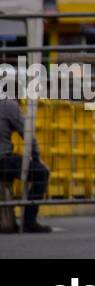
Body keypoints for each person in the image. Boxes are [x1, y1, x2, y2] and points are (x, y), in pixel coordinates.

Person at [0, 97, 51, 233]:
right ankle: (29, 221)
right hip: (2, 160)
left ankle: (8, 218)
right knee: (41, 173)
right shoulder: (8, 105)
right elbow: (27, 135)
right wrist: (36, 157)